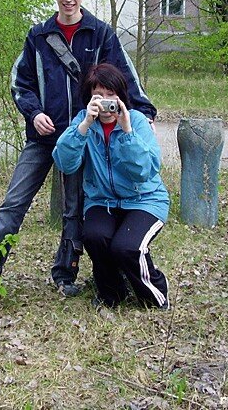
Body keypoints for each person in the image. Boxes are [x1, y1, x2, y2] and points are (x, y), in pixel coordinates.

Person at [0, 0, 157, 296]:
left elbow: (122, 76)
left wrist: (143, 109)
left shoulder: (102, 34)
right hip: (44, 136)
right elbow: (21, 83)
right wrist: (33, 114)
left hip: (84, 137)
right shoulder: (38, 36)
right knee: (14, 203)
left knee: (75, 209)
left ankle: (65, 275)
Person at [53, 64, 170, 309]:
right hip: (102, 200)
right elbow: (65, 162)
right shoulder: (83, 123)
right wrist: (83, 127)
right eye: (99, 96)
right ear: (89, 98)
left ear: (121, 98)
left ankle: (155, 295)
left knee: (126, 247)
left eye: (111, 96)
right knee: (95, 237)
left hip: (145, 200)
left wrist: (126, 132)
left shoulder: (137, 121)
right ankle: (111, 293)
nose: (106, 104)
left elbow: (144, 172)